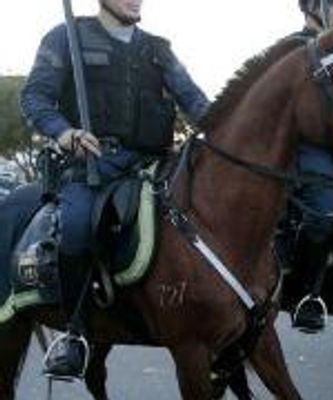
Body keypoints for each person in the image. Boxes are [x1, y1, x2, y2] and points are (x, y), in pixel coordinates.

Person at [20, 0, 209, 379]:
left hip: (154, 164)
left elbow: (195, 101)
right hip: (93, 163)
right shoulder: (64, 38)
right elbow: (35, 98)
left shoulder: (159, 48)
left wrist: (225, 128)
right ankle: (73, 334)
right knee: (75, 228)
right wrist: (65, 133)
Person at [287, 0, 333, 333]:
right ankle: (304, 294)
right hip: (309, 148)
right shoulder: (293, 50)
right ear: (313, 7)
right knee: (323, 214)